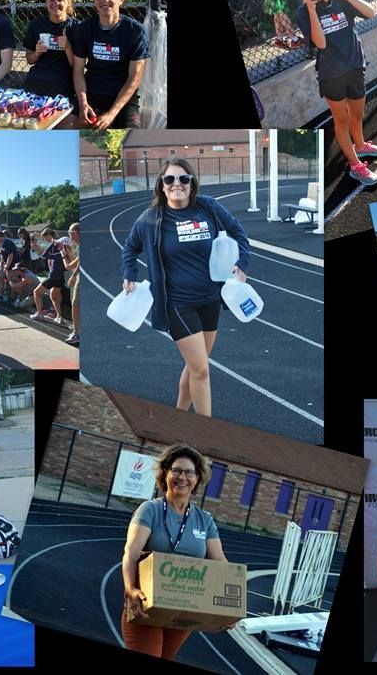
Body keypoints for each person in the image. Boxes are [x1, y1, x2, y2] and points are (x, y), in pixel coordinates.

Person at [122, 160, 251, 417]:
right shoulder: (150, 219)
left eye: (183, 179)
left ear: (192, 183)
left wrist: (242, 263)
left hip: (210, 299)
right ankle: (205, 431)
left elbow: (238, 231)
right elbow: (130, 247)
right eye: (169, 179)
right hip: (178, 305)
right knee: (201, 370)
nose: (177, 184)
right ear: (162, 186)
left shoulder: (208, 208)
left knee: (195, 366)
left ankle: (177, 418)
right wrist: (129, 273)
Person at [122, 445, 230, 660]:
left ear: (197, 478)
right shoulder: (150, 510)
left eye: (189, 472)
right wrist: (130, 589)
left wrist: (230, 607)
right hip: (145, 605)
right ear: (165, 473)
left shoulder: (205, 520)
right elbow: (131, 552)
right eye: (176, 470)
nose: (182, 477)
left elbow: (219, 560)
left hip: (184, 607)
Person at [297, 0, 377, 186]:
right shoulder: (304, 11)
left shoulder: (343, 0)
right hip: (332, 74)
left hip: (355, 65)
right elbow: (321, 44)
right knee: (342, 120)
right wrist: (311, 8)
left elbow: (371, 12)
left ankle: (361, 145)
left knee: (357, 114)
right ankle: (356, 166)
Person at [71, 0, 149, 130]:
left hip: (123, 98)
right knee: (65, 125)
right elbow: (78, 70)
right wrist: (83, 103)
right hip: (93, 92)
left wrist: (112, 113)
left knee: (129, 136)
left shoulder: (136, 31)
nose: (104, 0)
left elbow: (134, 78)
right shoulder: (85, 28)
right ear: (94, 1)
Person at [24, 0, 78, 111]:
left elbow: (77, 67)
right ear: (46, 1)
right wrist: (37, 53)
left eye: (60, 0)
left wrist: (68, 47)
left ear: (68, 2)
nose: (55, 3)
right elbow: (29, 60)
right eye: (51, 0)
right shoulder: (36, 25)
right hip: (37, 78)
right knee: (24, 111)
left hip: (62, 81)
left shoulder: (77, 27)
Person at [29, 228, 67, 324]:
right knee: (54, 296)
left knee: (36, 292)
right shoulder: (53, 245)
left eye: (45, 237)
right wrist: (37, 248)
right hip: (58, 276)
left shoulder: (58, 245)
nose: (44, 239)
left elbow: (49, 255)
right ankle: (59, 317)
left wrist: (40, 248)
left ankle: (39, 313)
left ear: (49, 235)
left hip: (54, 276)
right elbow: (45, 254)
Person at [62, 222, 80, 345]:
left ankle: (76, 332)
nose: (69, 234)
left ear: (76, 233)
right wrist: (68, 254)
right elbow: (75, 262)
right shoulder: (78, 246)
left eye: (70, 232)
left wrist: (64, 256)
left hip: (81, 278)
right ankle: (77, 329)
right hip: (79, 277)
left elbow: (70, 266)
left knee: (75, 304)